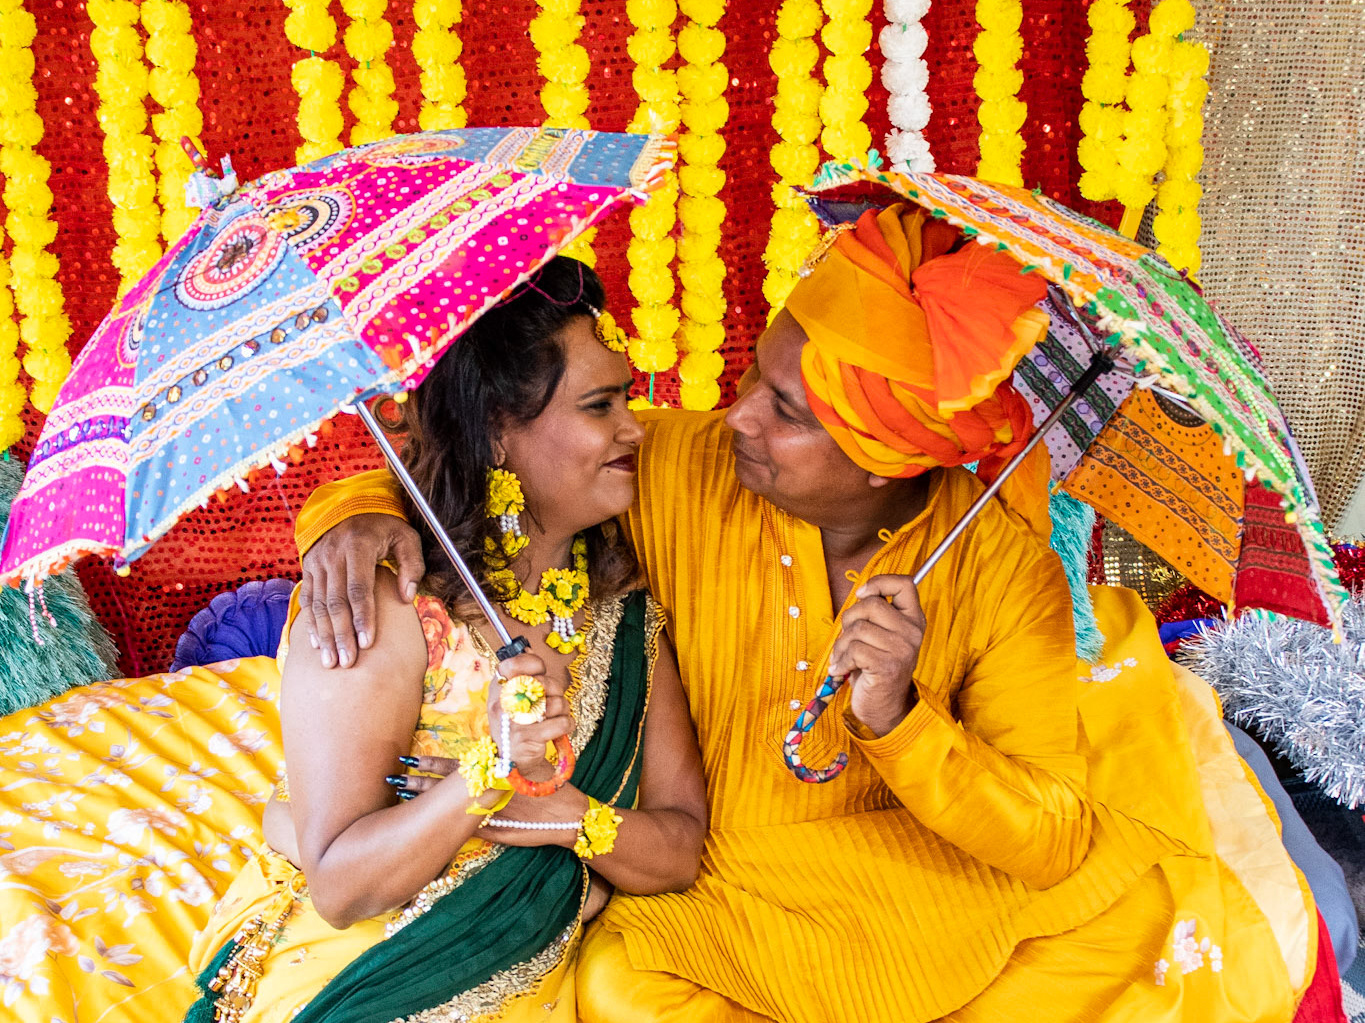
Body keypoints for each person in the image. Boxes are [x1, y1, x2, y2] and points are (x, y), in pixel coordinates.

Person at [294, 206, 1320, 1021]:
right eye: (753, 379)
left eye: (785, 410)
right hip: (713, 886)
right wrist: (351, 516)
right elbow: (501, 467)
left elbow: (1049, 840)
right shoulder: (681, 465)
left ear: (883, 456)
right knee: (617, 992)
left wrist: (899, 718)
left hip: (922, 897)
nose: (735, 414)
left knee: (1132, 960)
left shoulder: (1000, 568)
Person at [184, 257, 707, 1023]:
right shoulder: (383, 602)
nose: (634, 427)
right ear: (495, 433)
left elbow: (679, 846)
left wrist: (559, 813)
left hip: (526, 971)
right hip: (367, 970)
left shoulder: (621, 613)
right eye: (600, 406)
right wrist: (490, 771)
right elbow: (341, 885)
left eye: (624, 397)